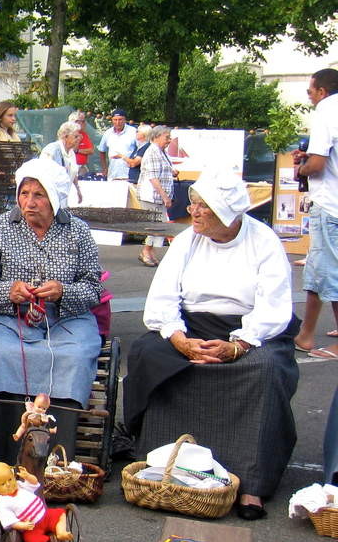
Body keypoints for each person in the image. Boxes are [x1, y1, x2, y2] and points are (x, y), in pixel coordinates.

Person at [124, 171, 299, 520]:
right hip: (191, 326)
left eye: (204, 207)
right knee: (147, 353)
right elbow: (163, 297)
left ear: (227, 212)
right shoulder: (189, 240)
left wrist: (239, 345)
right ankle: (160, 466)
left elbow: (274, 307)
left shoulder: (263, 241)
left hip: (249, 330)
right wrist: (179, 339)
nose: (195, 212)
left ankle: (252, 483)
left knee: (266, 369)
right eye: (194, 204)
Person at [0, 158, 102, 457]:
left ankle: (56, 459)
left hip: (67, 320)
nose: (29, 202)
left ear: (54, 198)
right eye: (24, 193)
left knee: (75, 354)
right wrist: (10, 291)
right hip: (8, 319)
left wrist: (63, 292)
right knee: (4, 353)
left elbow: (94, 288)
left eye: (38, 195)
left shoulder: (78, 232)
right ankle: (6, 455)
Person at [294, 68, 338, 358]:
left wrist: (302, 167)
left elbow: (319, 164)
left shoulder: (324, 112)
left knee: (332, 273)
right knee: (317, 270)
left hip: (329, 203)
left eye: (310, 92)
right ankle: (306, 334)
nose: (310, 98)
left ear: (321, 91)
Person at [136, 125, 176, 267]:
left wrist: (172, 172)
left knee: (158, 224)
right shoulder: (152, 151)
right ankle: (146, 251)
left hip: (157, 195)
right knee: (153, 225)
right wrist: (165, 196)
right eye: (167, 137)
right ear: (157, 137)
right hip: (151, 195)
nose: (169, 140)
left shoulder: (160, 151)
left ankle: (149, 251)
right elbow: (153, 177)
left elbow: (163, 169)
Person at [38, 121, 84, 204]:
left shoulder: (71, 152)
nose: (79, 139)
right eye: (75, 136)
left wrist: (78, 190)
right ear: (66, 137)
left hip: (63, 197)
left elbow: (73, 173)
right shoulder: (52, 150)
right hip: (50, 198)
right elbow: (44, 175)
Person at [99, 109, 137, 181]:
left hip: (129, 175)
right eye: (115, 120)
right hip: (113, 174)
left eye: (120, 119)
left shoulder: (133, 132)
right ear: (112, 120)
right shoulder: (108, 133)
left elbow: (141, 150)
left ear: (125, 120)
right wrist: (104, 168)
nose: (117, 122)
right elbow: (101, 150)